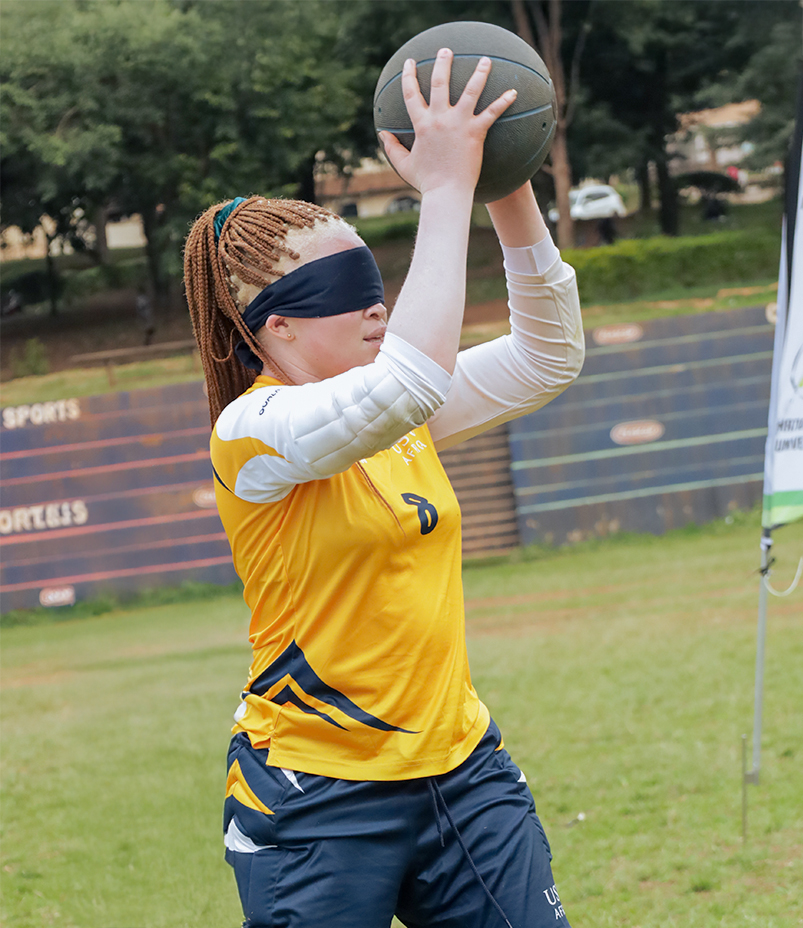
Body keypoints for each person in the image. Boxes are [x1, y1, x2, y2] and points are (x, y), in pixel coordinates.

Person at [184, 50, 583, 928]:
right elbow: (405, 385)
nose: (376, 305)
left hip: (461, 773)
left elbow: (546, 356)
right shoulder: (253, 430)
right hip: (316, 796)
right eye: (344, 292)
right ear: (276, 326)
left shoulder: (397, 409)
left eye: (377, 285)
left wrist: (504, 181)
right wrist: (442, 190)